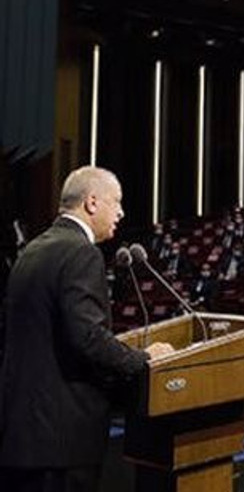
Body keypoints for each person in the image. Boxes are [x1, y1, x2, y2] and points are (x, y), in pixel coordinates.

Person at [1, 167, 173, 492]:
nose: (121, 212)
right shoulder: (82, 252)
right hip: (61, 443)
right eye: (117, 202)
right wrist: (145, 359)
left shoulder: (32, 251)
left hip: (22, 436)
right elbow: (88, 339)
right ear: (92, 202)